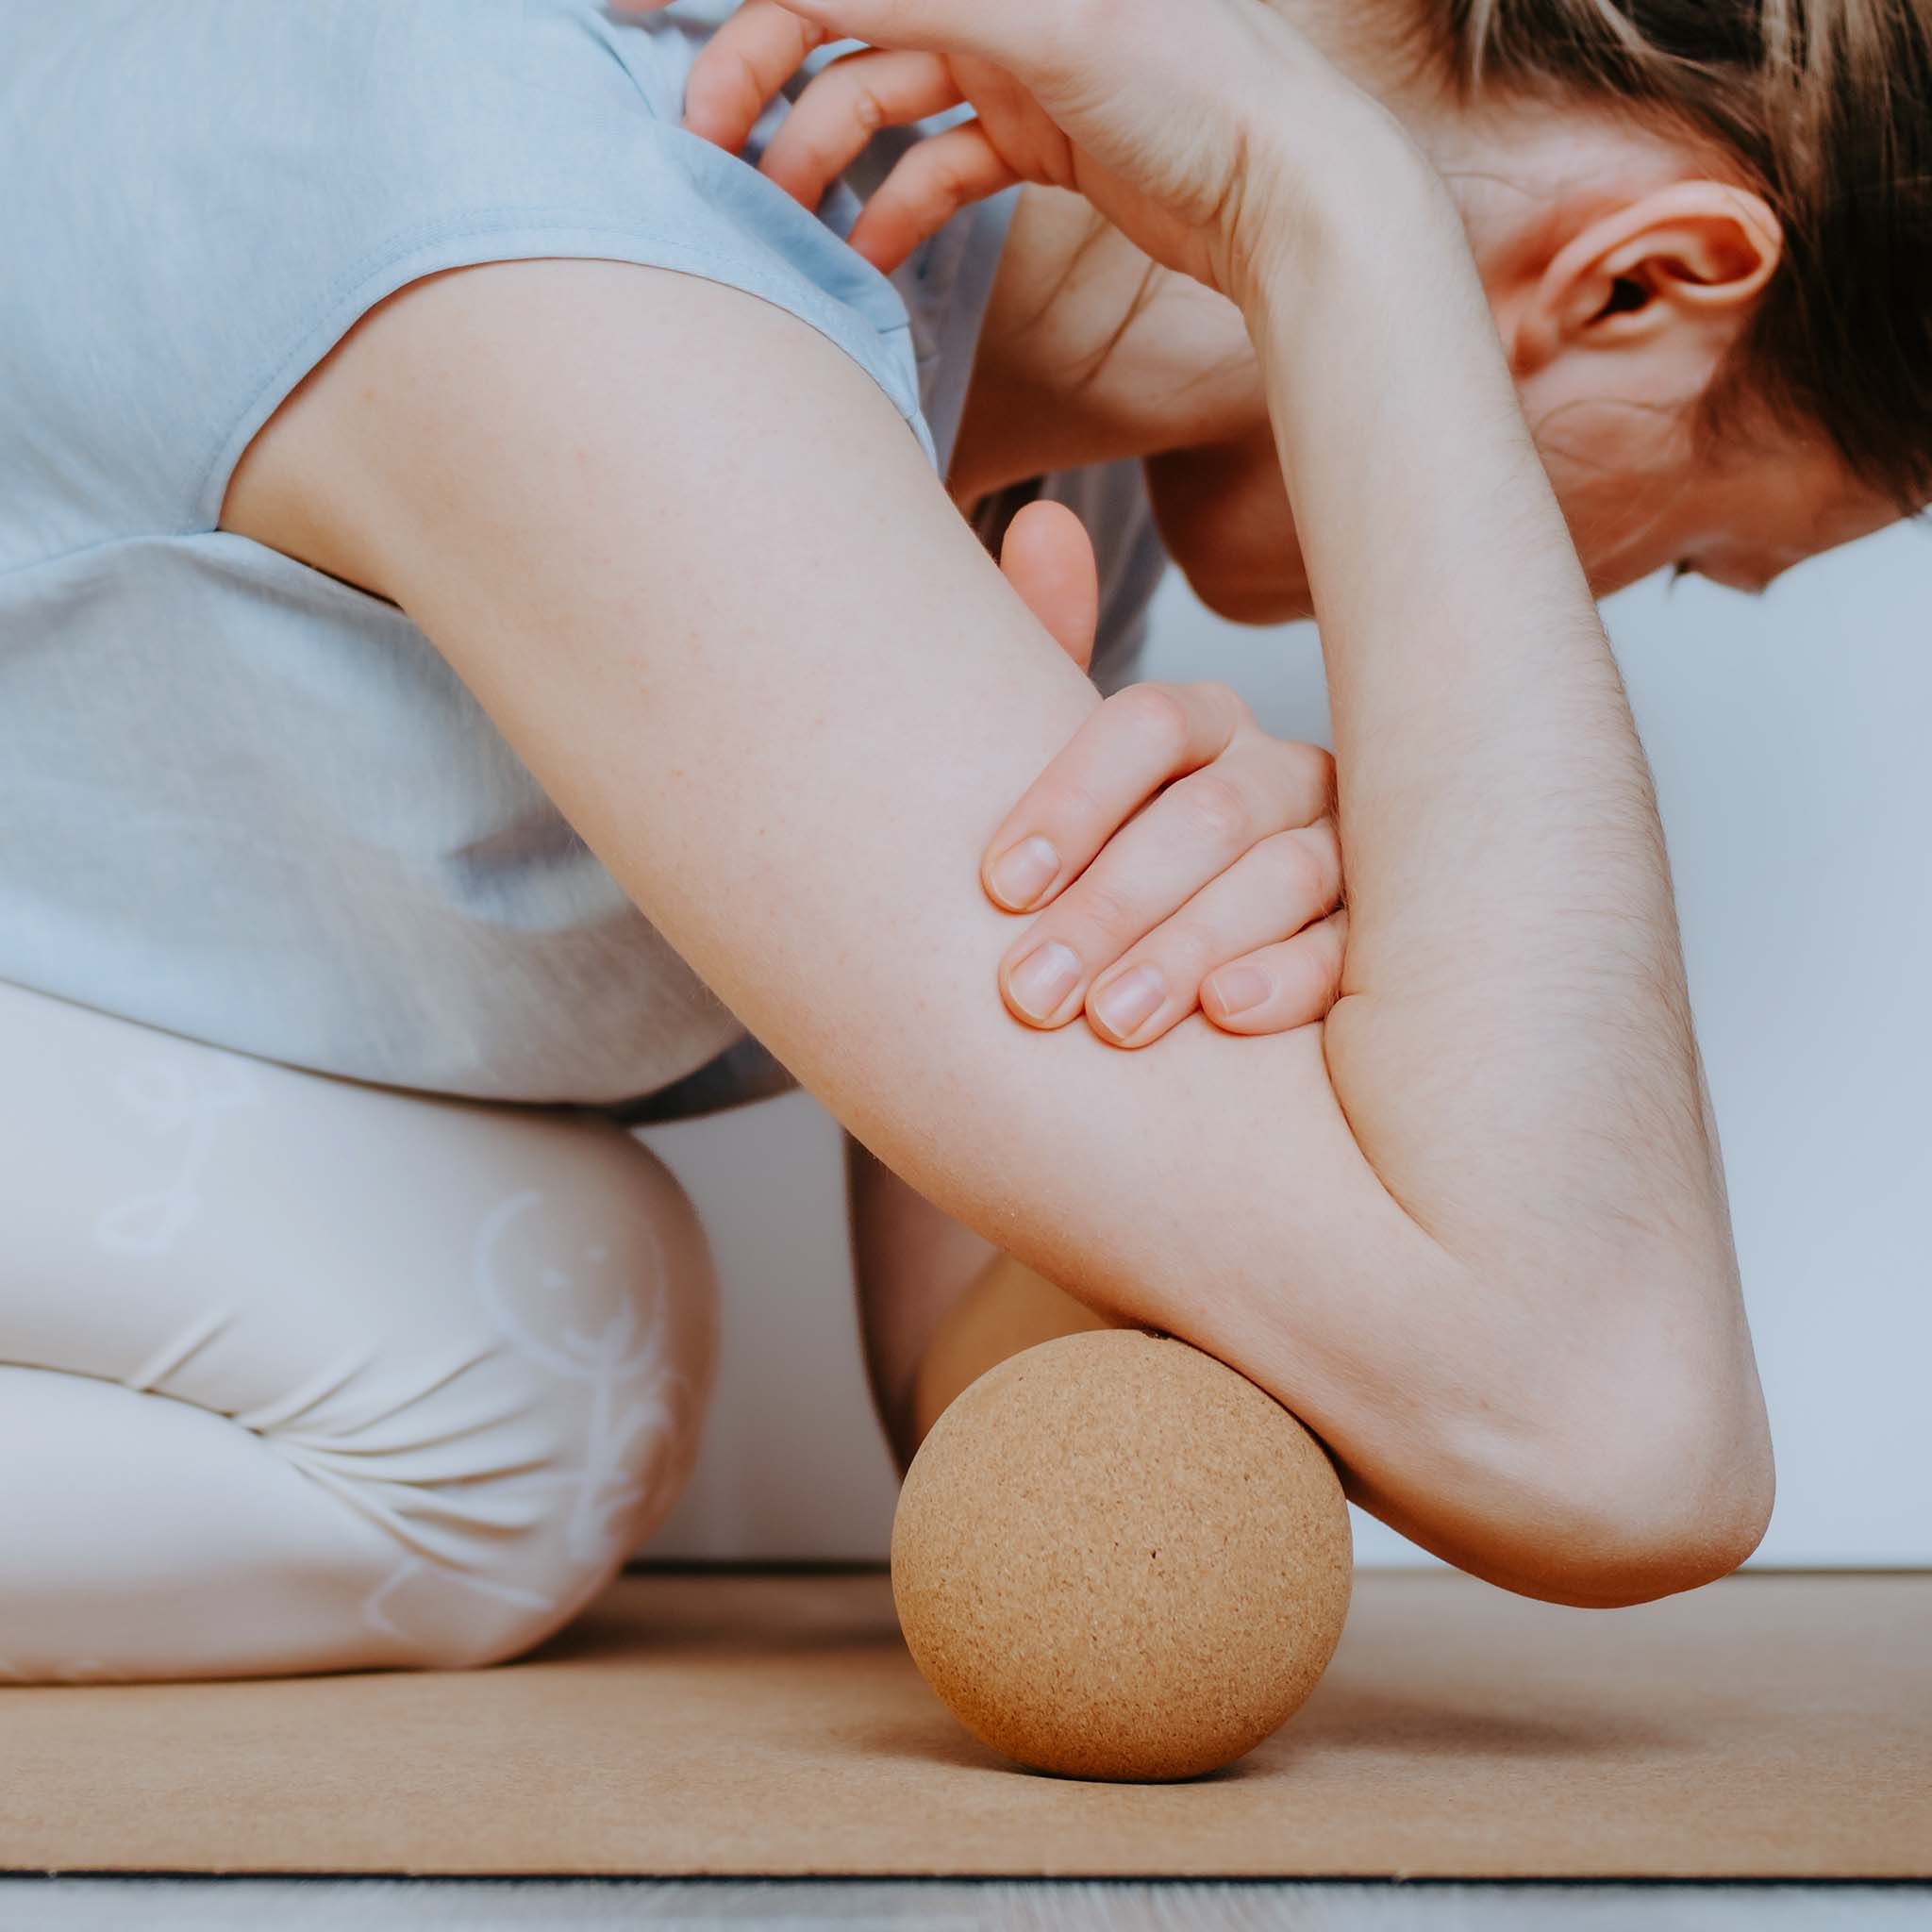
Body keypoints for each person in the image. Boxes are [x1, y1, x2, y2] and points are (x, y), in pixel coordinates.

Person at [0, 0, 1922, 1681]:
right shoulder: (626, 224)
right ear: (1637, 279)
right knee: (548, 1342)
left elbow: (980, 1387)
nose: (1585, 596)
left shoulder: (1041, 452)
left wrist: (1239, 1089)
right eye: (1685, 560)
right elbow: (1609, 1433)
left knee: (537, 1360)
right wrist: (1339, 213)